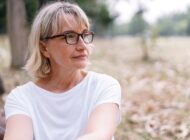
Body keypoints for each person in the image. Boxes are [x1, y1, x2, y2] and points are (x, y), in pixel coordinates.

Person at [4, 1, 121, 140]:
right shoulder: (21, 98)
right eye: (70, 36)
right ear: (44, 48)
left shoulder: (104, 86)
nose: (83, 45)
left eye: (84, 35)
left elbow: (99, 135)